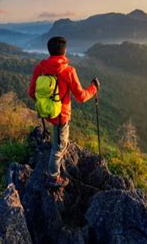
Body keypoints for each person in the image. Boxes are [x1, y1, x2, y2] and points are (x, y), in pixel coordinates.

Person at [28, 36, 100, 188]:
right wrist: (93, 88)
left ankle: (55, 161)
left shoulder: (40, 68)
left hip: (47, 114)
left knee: (58, 139)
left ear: (49, 50)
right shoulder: (68, 71)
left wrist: (46, 105)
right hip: (62, 116)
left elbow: (31, 92)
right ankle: (53, 178)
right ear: (64, 51)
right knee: (59, 147)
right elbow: (80, 96)